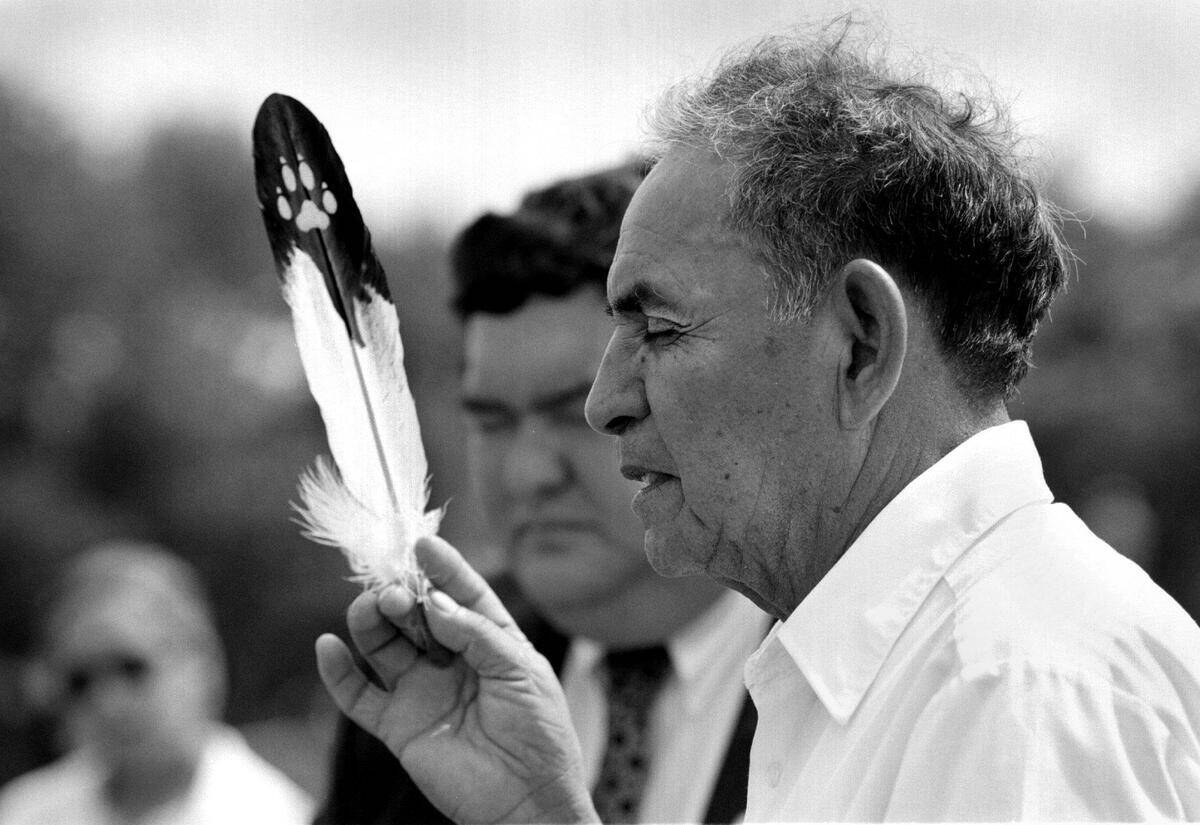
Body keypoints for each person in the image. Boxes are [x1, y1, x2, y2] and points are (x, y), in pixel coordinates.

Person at [314, 25, 1200, 823]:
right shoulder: (906, 668)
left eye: (660, 329)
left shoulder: (1011, 689)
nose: (606, 399)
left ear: (860, 343)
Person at [315, 163, 768, 824]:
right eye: (490, 420)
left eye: (572, 412)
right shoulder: (415, 682)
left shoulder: (848, 675)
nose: (529, 473)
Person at [0, 541, 314, 825]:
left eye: (131, 668)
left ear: (202, 661)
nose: (108, 702)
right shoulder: (24, 811)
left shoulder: (275, 814)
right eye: (80, 680)